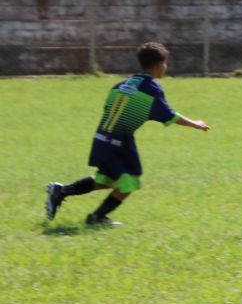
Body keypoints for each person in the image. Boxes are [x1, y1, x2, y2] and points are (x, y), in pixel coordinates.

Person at [45, 42, 210, 226]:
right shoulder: (151, 89)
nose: (165, 67)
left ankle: (62, 191)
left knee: (108, 179)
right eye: (165, 63)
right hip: (118, 141)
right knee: (129, 182)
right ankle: (97, 218)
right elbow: (169, 116)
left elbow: (109, 108)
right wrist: (195, 124)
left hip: (102, 137)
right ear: (158, 64)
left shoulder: (121, 84)